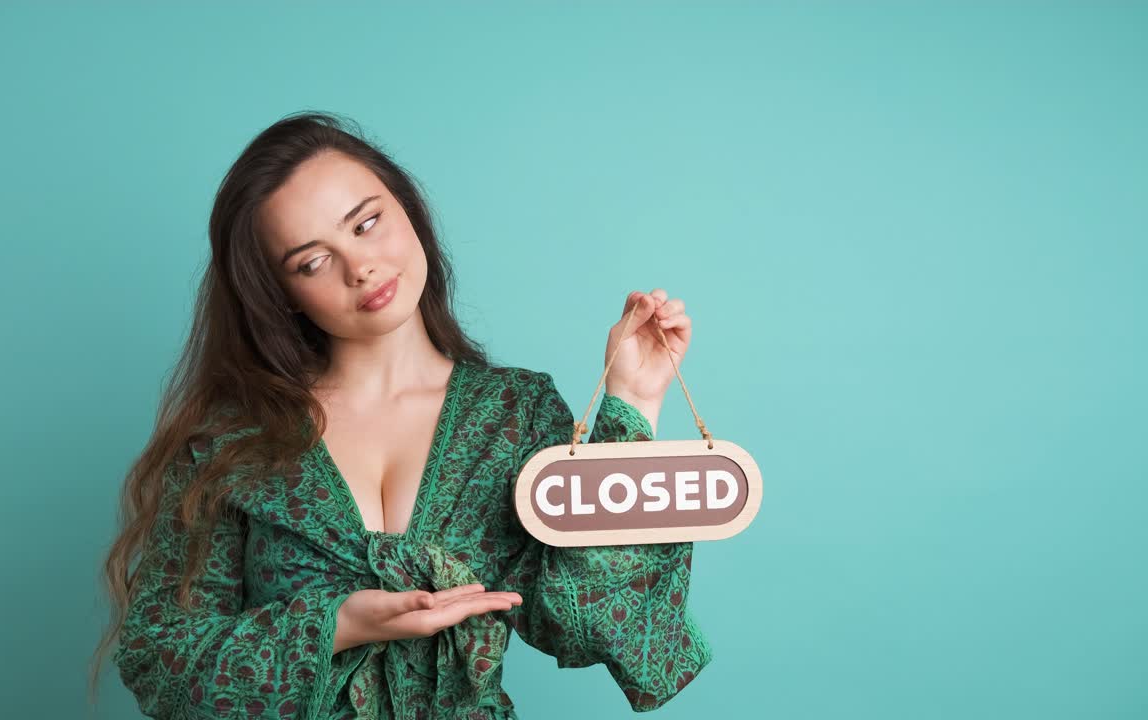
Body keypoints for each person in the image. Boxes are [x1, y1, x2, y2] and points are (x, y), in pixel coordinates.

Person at [91, 111, 713, 719]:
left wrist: (632, 403)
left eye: (366, 224)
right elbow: (158, 662)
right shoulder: (233, 442)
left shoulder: (513, 415)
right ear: (281, 294)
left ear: (407, 209)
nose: (359, 267)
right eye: (312, 262)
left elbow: (596, 622)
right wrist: (338, 625)